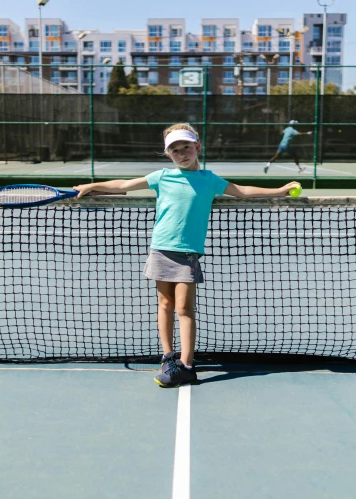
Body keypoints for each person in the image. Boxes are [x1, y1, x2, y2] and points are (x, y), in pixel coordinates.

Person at [73, 123, 300, 388]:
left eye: (186, 148)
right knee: (165, 305)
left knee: (184, 308)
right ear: (168, 154)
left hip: (188, 253)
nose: (182, 154)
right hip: (160, 249)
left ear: (197, 148)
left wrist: (280, 191)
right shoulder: (161, 176)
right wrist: (92, 185)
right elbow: (124, 184)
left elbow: (242, 191)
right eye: (175, 150)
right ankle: (168, 357)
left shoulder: (209, 179)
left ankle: (187, 365)